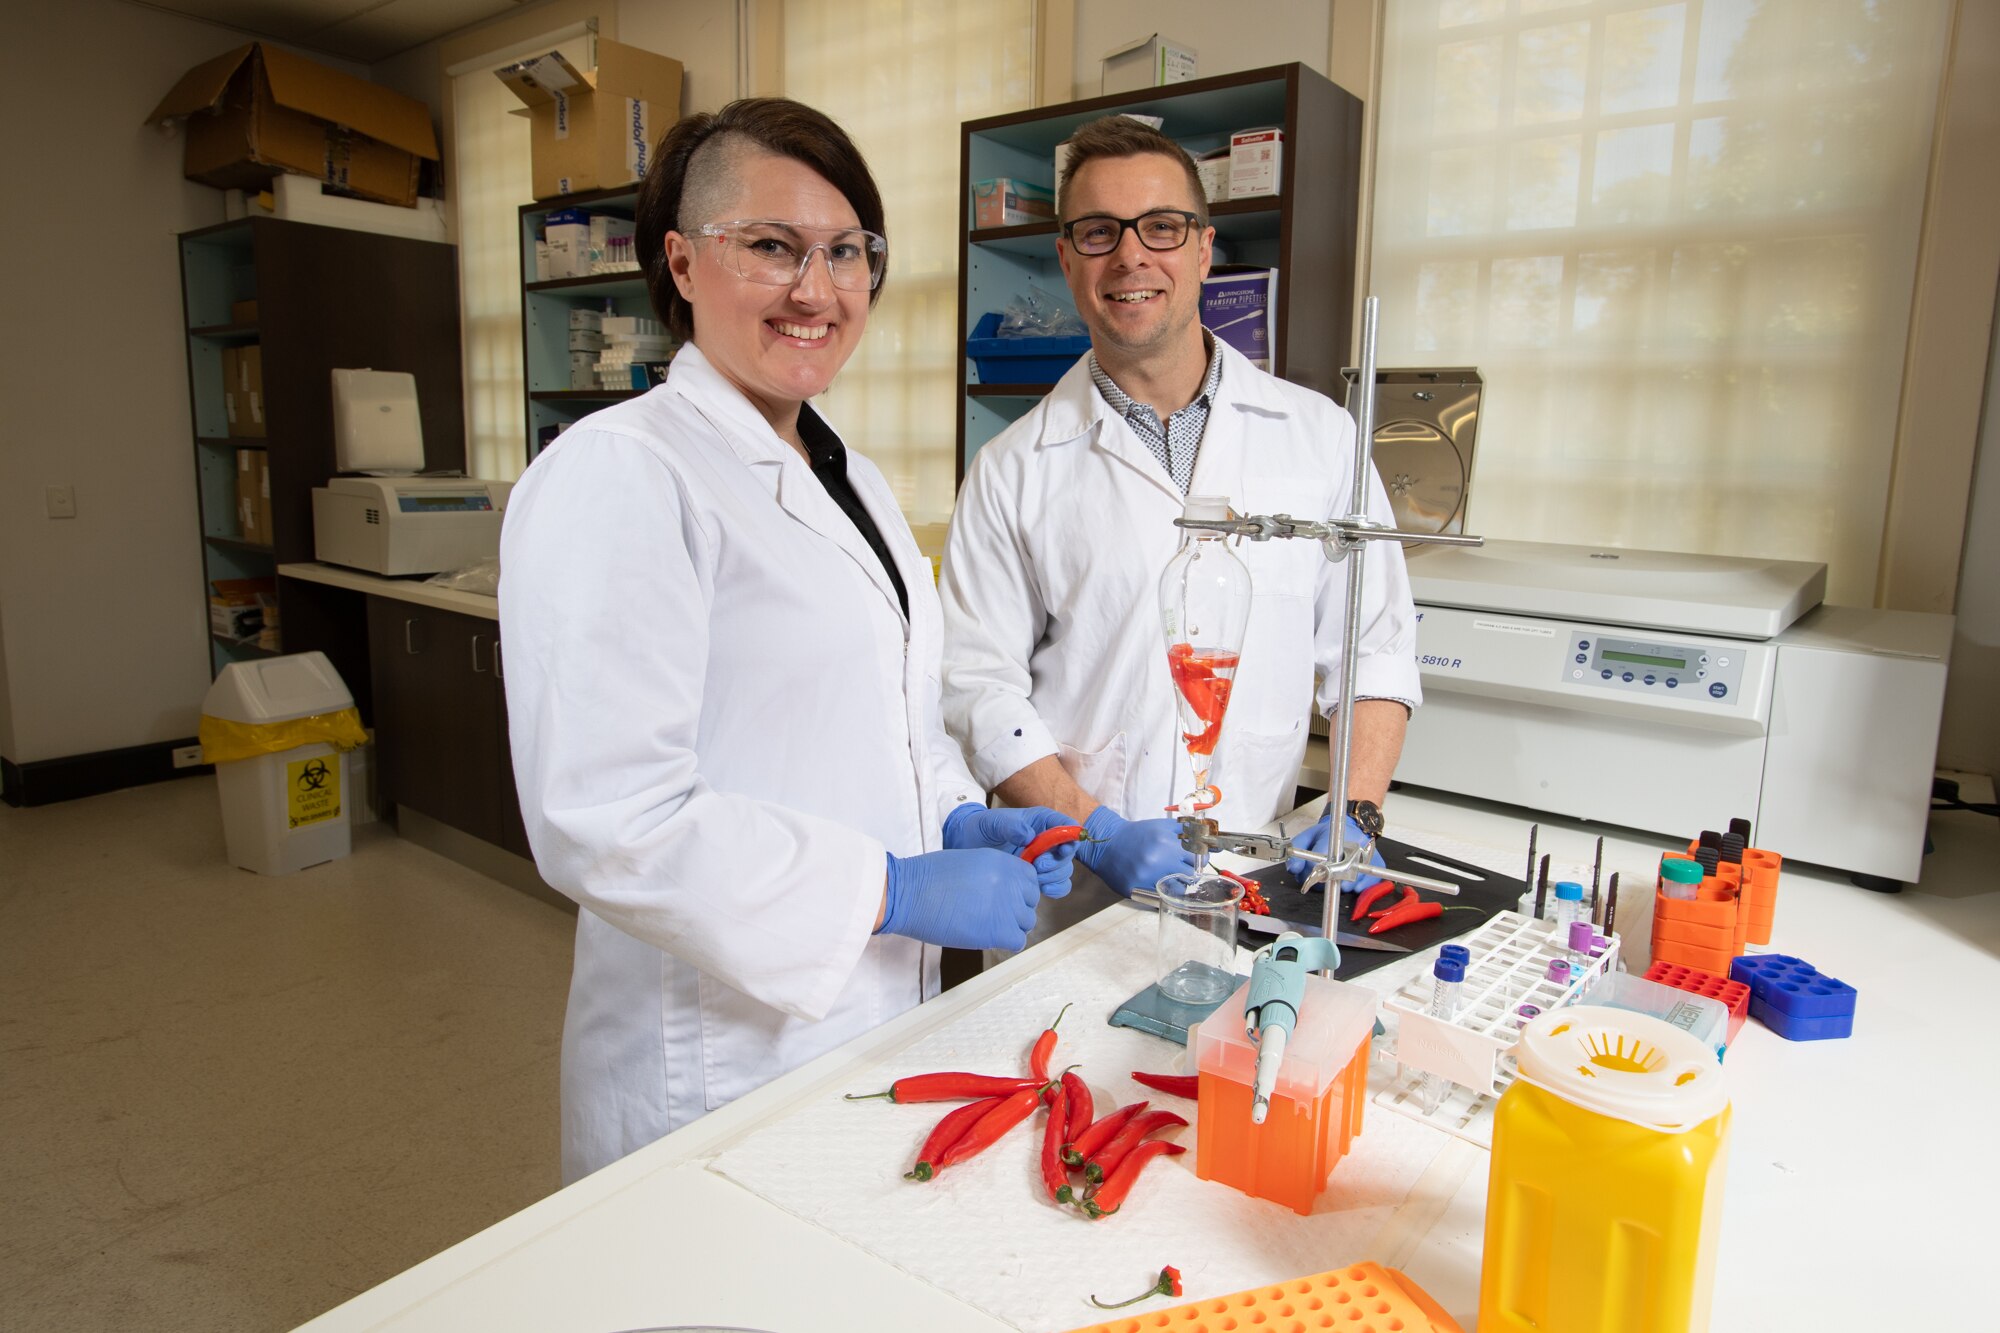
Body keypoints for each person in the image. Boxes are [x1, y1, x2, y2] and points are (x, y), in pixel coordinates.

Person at [500, 98, 1078, 1183]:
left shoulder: (840, 470)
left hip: (865, 1016)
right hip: (717, 1055)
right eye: (769, 247)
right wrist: (892, 890)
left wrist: (952, 810)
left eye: (846, 252)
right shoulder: (622, 473)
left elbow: (872, 704)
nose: (815, 290)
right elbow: (609, 818)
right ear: (680, 261)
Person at [939, 115, 1421, 939]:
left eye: (1161, 227)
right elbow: (977, 688)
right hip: (1078, 893)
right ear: (1066, 260)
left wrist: (1357, 807)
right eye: (1098, 233)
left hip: (1259, 879)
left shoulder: (1318, 438)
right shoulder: (1012, 469)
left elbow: (1372, 645)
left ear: (1203, 249)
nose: (1131, 256)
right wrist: (1098, 830)